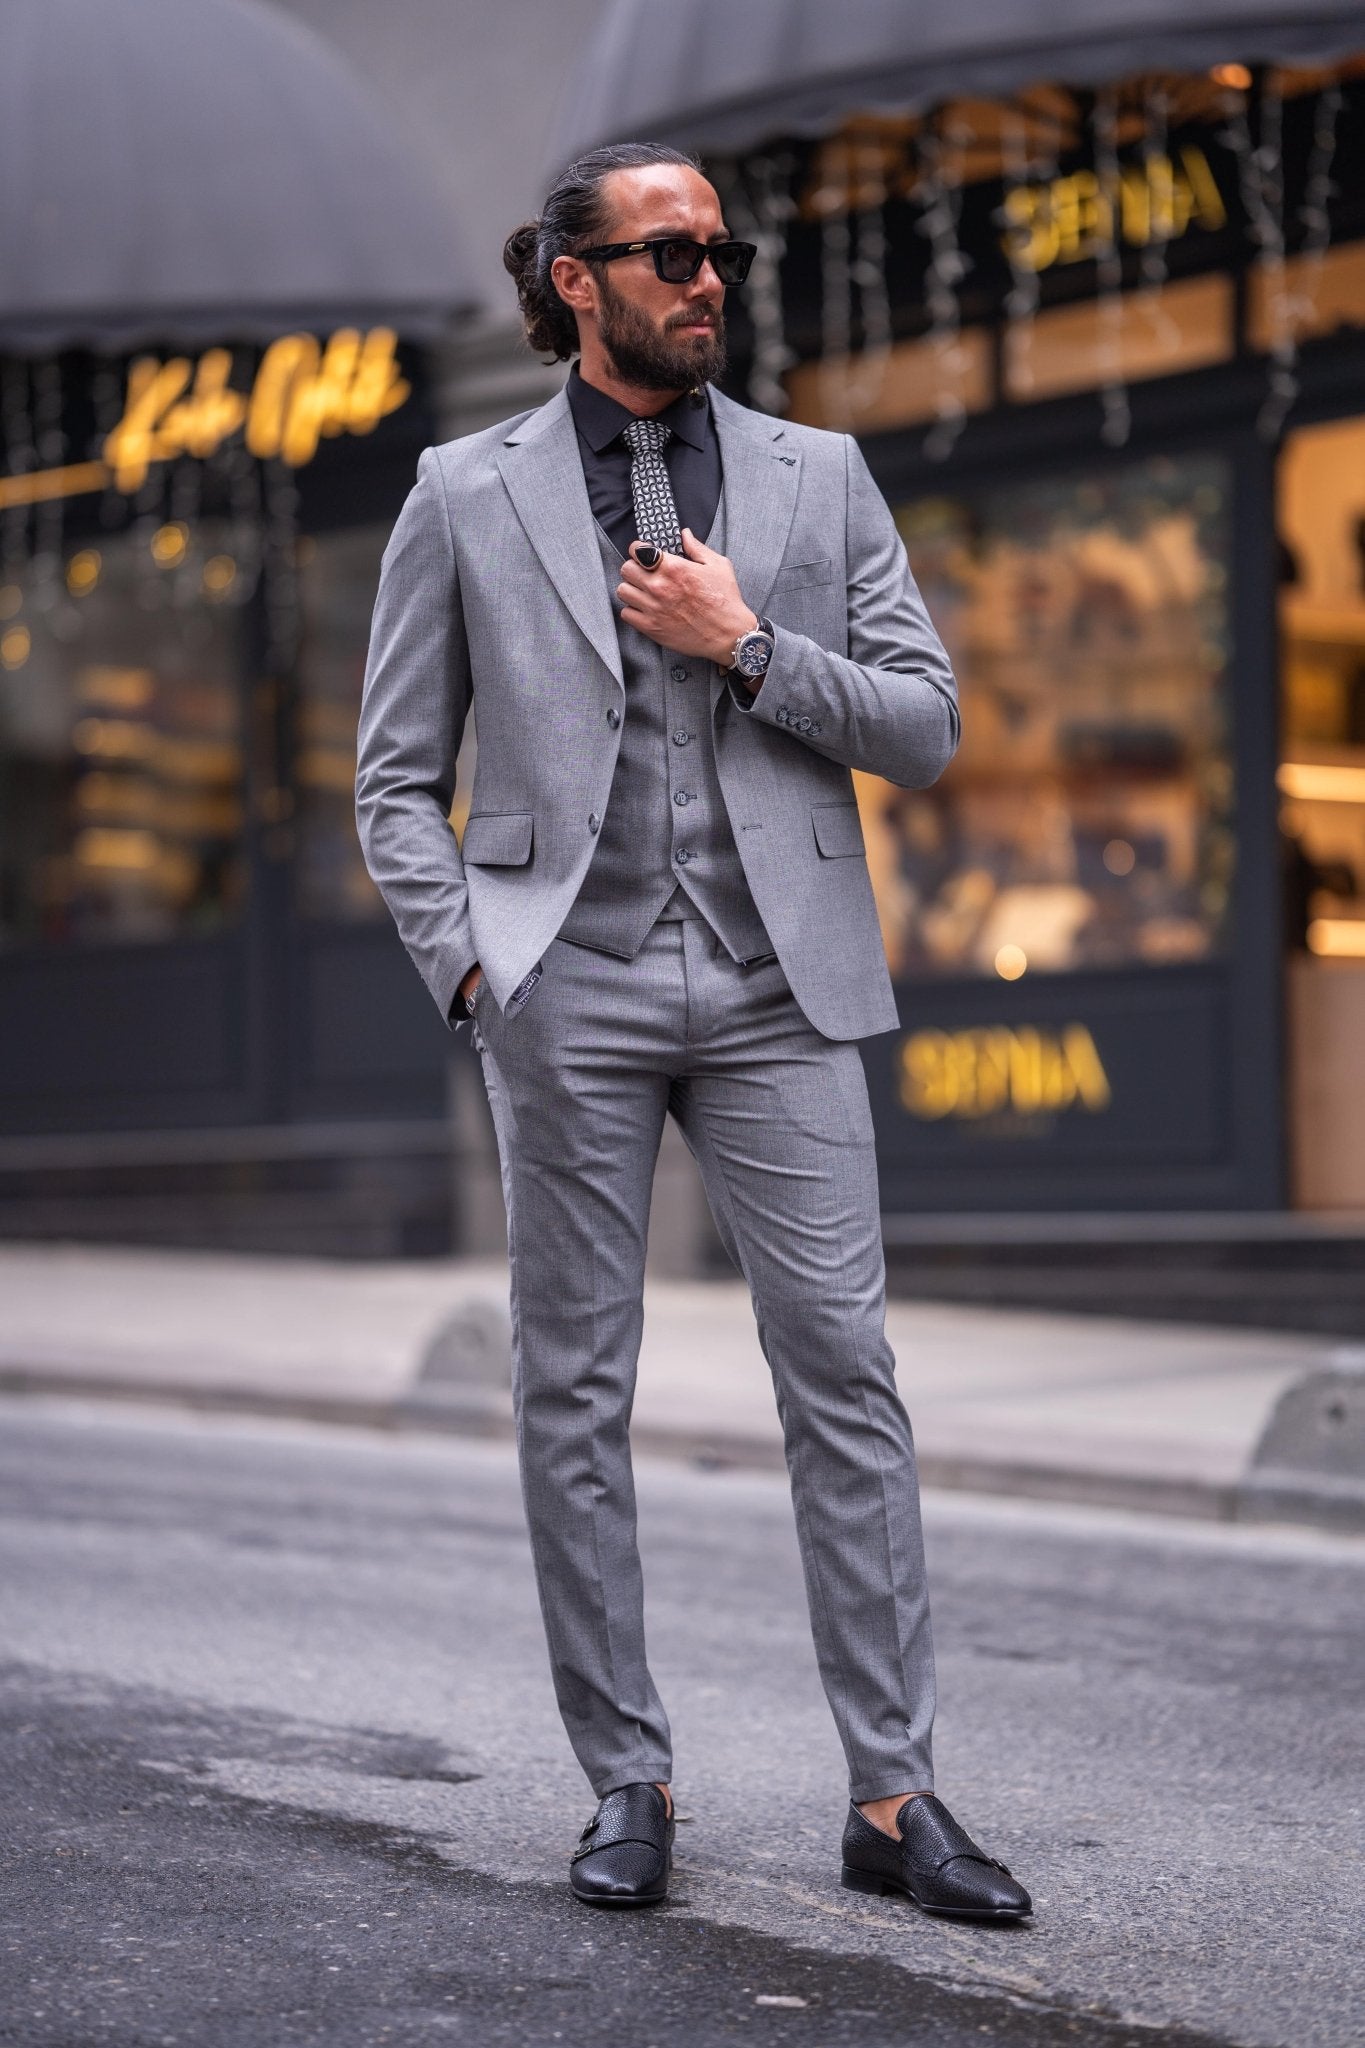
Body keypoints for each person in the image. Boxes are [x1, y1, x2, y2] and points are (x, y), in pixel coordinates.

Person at [356, 141, 1031, 1923]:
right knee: (573, 1389)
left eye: (719, 250)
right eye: (667, 252)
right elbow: (391, 780)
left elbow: (925, 726)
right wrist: (475, 968)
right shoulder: (463, 487)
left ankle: (891, 1799)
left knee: (846, 1378)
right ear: (573, 278)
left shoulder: (819, 475)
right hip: (559, 982)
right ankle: (624, 1776)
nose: (706, 277)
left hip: (775, 981)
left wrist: (748, 647)